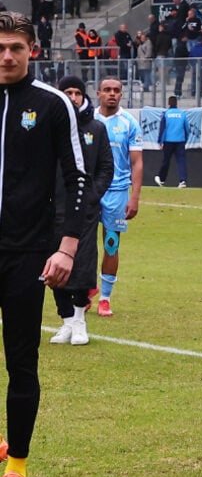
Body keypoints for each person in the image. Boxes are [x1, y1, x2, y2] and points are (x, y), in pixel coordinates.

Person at [0, 12, 89, 477]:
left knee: (21, 363)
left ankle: (16, 470)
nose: (7, 56)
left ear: (32, 49)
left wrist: (66, 247)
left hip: (27, 253)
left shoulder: (53, 104)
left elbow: (78, 178)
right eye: (0, 47)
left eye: (15, 47)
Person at [49, 76, 114, 347]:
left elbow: (106, 168)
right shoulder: (50, 127)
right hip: (52, 209)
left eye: (77, 92)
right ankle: (65, 321)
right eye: (68, 92)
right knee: (53, 266)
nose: (73, 97)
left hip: (84, 211)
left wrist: (91, 195)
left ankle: (79, 320)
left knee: (82, 263)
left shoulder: (95, 128)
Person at [93, 79, 143, 317]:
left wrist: (134, 197)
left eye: (116, 91)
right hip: (90, 191)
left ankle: (105, 297)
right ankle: (85, 289)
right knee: (81, 243)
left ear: (121, 95)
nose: (112, 94)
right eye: (107, 90)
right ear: (98, 93)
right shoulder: (89, 120)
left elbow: (137, 162)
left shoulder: (129, 123)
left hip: (117, 192)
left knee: (111, 244)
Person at [155, 96, 190, 188]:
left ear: (168, 103)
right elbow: (187, 128)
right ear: (176, 103)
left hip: (168, 141)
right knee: (181, 161)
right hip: (180, 141)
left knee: (166, 161)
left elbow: (162, 129)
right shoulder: (182, 114)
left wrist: (160, 142)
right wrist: (185, 139)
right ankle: (183, 180)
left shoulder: (166, 114)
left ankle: (162, 179)